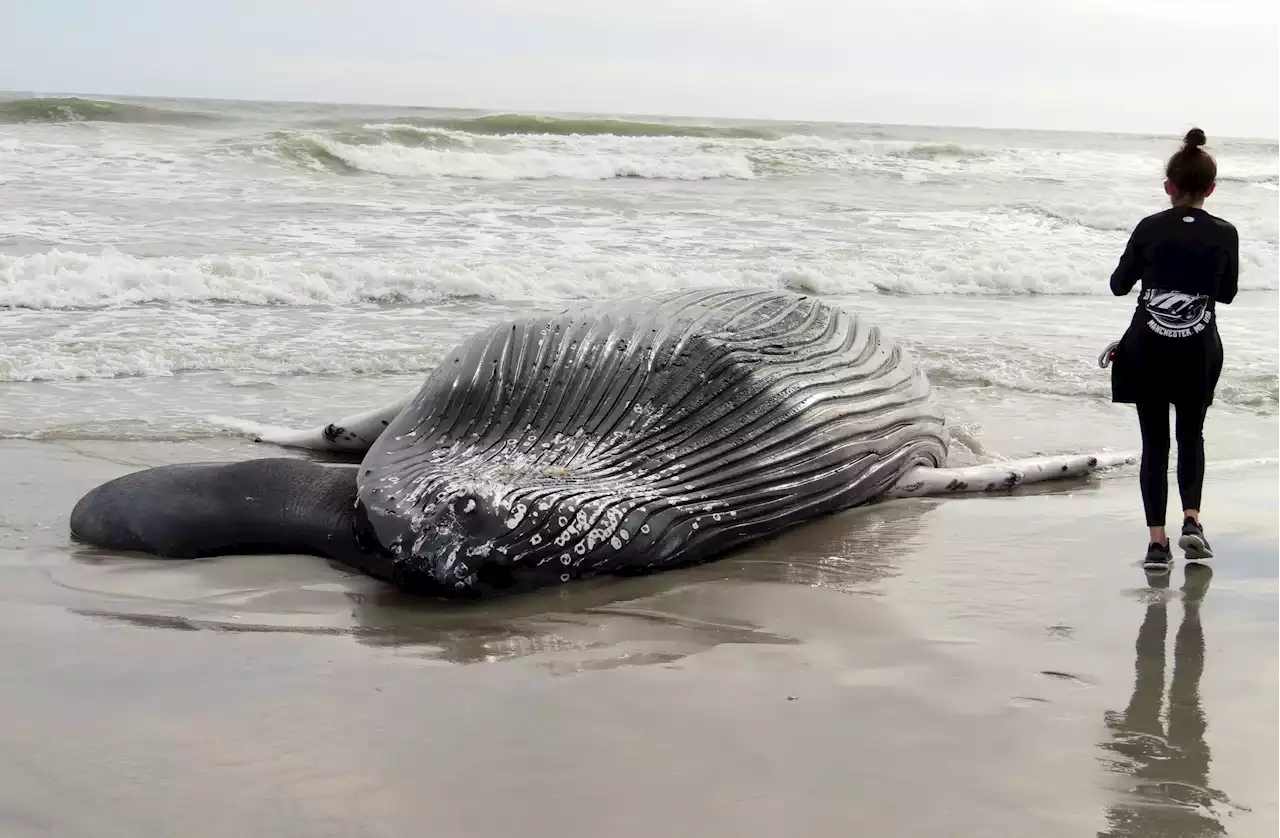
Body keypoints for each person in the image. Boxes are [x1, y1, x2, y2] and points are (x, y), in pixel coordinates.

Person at [1108, 128, 1238, 573]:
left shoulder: (1149, 227)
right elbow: (1227, 295)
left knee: (1154, 445)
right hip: (1198, 351)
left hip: (1146, 349)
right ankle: (1192, 522)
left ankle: (1157, 546)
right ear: (1211, 189)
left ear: (1169, 187)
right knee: (1191, 436)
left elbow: (1118, 286)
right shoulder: (1225, 233)